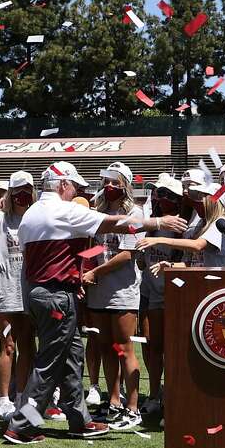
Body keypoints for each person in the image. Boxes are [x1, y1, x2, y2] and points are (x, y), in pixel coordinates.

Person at [3, 161, 182, 445]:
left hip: (45, 292)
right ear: (62, 185)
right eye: (74, 186)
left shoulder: (33, 213)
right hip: (57, 295)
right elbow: (116, 224)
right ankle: (23, 423)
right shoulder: (63, 210)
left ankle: (79, 419)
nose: (77, 191)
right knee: (49, 362)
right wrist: (157, 223)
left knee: (72, 357)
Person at [84, 162, 145, 431]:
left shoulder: (134, 212)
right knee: (105, 346)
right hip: (98, 290)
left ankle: (133, 407)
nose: (109, 186)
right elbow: (92, 247)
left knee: (125, 348)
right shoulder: (98, 211)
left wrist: (95, 271)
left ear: (126, 185)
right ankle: (114, 400)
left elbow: (127, 254)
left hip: (122, 290)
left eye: (115, 182)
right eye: (106, 181)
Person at [0, 171, 37, 421]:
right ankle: (3, 399)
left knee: (27, 346)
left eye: (27, 191)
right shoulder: (1, 218)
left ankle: (23, 396)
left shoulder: (37, 217)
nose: (22, 196)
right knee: (8, 345)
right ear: (10, 193)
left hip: (30, 290)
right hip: (6, 290)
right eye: (18, 191)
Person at [137, 173, 185, 422]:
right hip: (148, 289)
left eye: (168, 195)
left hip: (173, 292)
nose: (161, 197)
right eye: (158, 193)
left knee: (172, 349)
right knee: (150, 344)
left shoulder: (183, 223)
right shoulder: (150, 219)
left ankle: (172, 395)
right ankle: (154, 394)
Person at [137, 181, 225, 269]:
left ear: (214, 201)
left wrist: (159, 240)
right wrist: (171, 265)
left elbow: (197, 245)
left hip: (216, 284)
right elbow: (193, 263)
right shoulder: (201, 224)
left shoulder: (220, 222)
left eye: (202, 197)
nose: (197, 201)